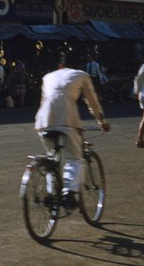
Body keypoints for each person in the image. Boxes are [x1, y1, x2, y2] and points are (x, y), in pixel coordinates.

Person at [34, 54, 110, 203]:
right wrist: (101, 121)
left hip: (43, 121)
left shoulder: (47, 76)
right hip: (67, 121)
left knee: (51, 158)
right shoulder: (82, 75)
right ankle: (69, 192)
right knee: (74, 158)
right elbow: (92, 102)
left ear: (59, 66)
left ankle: (51, 193)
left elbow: (44, 101)